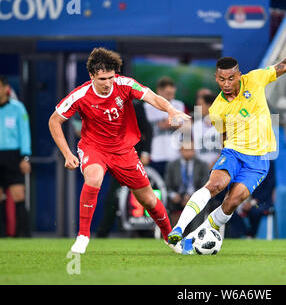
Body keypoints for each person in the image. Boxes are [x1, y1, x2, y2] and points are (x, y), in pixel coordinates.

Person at [167, 45, 286, 254]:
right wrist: (225, 157)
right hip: (233, 153)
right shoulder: (216, 109)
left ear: (239, 75)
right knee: (215, 185)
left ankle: (193, 239)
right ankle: (179, 228)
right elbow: (224, 135)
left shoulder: (256, 79)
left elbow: (285, 65)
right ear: (216, 78)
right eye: (222, 79)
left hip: (259, 160)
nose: (226, 83)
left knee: (232, 202)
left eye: (231, 78)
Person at [48, 48, 190, 254]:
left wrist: (171, 110)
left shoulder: (124, 84)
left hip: (124, 150)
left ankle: (170, 238)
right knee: (94, 178)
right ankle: (83, 236)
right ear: (91, 76)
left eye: (111, 78)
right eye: (102, 78)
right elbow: (54, 121)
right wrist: (67, 154)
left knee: (148, 199)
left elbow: (152, 97)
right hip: (94, 147)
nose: (107, 83)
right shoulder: (80, 95)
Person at [96, 99, 153, 238]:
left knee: (141, 197)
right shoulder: (106, 106)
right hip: (118, 159)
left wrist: (145, 153)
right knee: (113, 196)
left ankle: (145, 233)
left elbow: (148, 130)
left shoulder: (136, 106)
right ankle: (103, 233)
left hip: (135, 158)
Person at [0, 75, 32, 237]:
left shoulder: (17, 108)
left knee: (18, 195)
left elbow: (24, 134)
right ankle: (3, 235)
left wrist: (25, 157)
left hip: (13, 156)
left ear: (6, 88)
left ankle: (24, 235)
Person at [143, 77, 187, 178]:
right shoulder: (147, 107)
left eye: (172, 94)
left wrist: (167, 123)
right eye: (168, 94)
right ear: (159, 91)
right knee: (156, 187)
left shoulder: (179, 105)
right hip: (155, 154)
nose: (170, 97)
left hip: (175, 154)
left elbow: (185, 124)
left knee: (174, 186)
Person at [164, 140, 210, 227]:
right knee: (168, 203)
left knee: (200, 202)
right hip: (177, 196)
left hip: (195, 195)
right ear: (180, 150)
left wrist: (192, 197)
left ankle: (195, 233)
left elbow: (205, 185)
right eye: (186, 149)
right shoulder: (172, 165)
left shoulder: (202, 165)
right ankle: (173, 233)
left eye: (191, 149)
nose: (188, 152)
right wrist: (173, 195)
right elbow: (167, 185)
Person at [192, 93, 222, 168]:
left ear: (210, 106)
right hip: (200, 170)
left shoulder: (223, 124)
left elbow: (226, 149)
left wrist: (214, 164)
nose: (197, 108)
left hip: (220, 167)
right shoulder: (195, 126)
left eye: (200, 105)